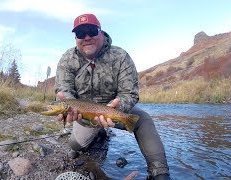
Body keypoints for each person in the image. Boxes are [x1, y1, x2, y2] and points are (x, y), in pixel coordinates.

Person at [55, 13, 171, 180]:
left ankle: (159, 172)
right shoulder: (68, 59)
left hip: (113, 111)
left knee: (142, 119)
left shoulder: (120, 56)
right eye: (80, 34)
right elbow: (63, 88)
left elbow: (129, 93)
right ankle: (99, 133)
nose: (86, 37)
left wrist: (118, 107)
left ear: (101, 33)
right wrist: (68, 105)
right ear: (76, 39)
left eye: (91, 31)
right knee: (75, 145)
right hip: (84, 115)